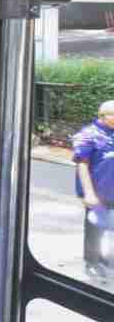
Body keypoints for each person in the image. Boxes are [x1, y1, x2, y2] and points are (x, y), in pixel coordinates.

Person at [73, 100, 114, 282]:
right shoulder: (88, 135)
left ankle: (104, 257)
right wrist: (88, 193)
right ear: (104, 116)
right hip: (97, 192)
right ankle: (91, 260)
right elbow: (82, 166)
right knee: (94, 228)